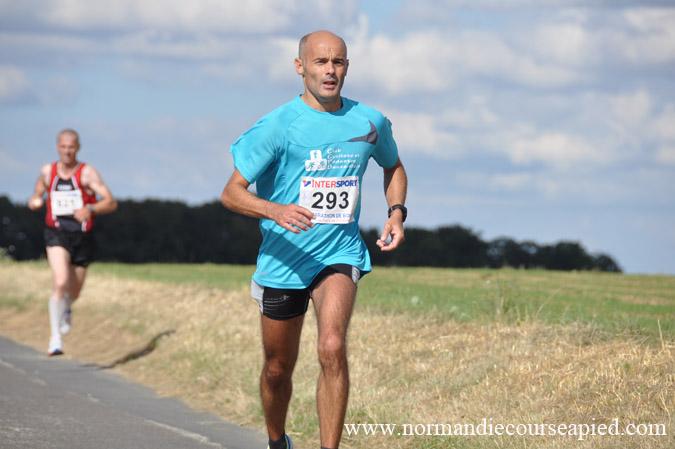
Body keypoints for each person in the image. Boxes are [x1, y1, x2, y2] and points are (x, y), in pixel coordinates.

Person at [220, 30, 408, 449]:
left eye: (338, 62)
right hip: (284, 259)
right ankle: (277, 440)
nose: (330, 70)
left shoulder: (370, 121)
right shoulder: (277, 126)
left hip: (339, 252)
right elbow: (231, 193)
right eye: (321, 62)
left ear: (347, 67)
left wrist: (396, 212)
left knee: (332, 346)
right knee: (277, 368)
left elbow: (393, 166)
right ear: (300, 66)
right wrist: (275, 210)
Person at [28, 129, 117, 356]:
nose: (67, 151)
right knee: (60, 282)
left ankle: (67, 307)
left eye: (71, 147)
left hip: (82, 236)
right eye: (63, 147)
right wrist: (35, 200)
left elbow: (111, 202)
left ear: (77, 148)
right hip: (56, 233)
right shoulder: (48, 172)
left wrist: (91, 209)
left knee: (74, 291)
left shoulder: (87, 174)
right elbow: (38, 192)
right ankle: (55, 338)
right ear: (57, 147)